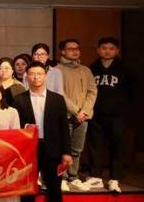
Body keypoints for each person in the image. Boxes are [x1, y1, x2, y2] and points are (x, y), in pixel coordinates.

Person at [14, 62, 72, 202]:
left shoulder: (57, 99)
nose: (36, 77)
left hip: (53, 150)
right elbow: (15, 128)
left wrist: (67, 152)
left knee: (55, 191)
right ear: (27, 76)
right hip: (29, 150)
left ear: (45, 76)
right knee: (28, 190)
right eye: (32, 74)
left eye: (39, 74)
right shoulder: (19, 100)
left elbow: (64, 128)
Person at [88, 37, 131, 193]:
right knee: (95, 145)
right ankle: (96, 176)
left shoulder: (125, 69)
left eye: (111, 48)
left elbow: (132, 93)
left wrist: (126, 112)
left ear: (117, 51)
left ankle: (115, 178)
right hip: (96, 114)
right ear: (98, 50)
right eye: (104, 48)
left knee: (117, 145)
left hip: (117, 115)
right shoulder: (91, 69)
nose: (107, 51)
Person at [56, 39, 98, 191]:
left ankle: (73, 176)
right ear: (62, 51)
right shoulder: (56, 70)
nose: (75, 51)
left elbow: (92, 91)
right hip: (65, 116)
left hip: (83, 117)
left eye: (77, 48)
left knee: (77, 149)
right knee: (62, 148)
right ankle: (61, 177)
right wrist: (76, 111)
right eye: (71, 48)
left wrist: (84, 111)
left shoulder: (86, 70)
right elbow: (59, 93)